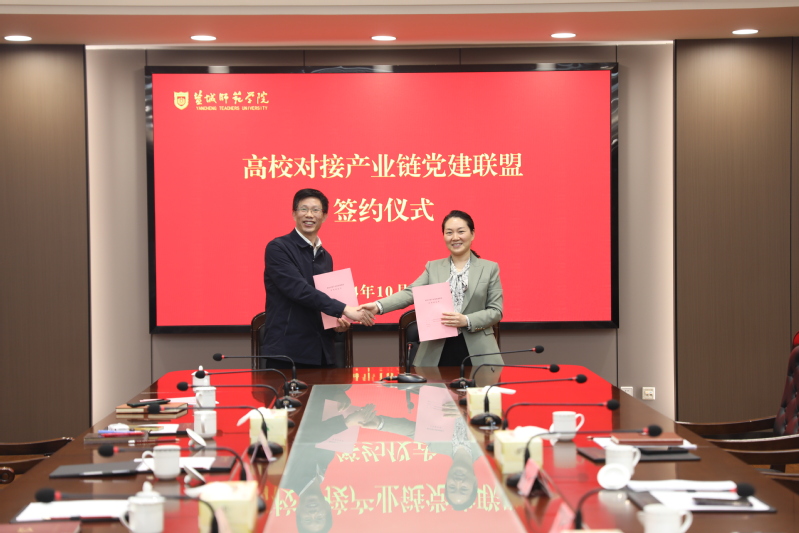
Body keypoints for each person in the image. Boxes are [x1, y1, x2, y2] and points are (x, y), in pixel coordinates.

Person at [360, 210, 502, 367]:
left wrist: (466, 320)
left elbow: (496, 311)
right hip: (437, 349)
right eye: (449, 233)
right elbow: (410, 293)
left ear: (472, 234)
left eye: (461, 231)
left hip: (478, 351)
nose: (455, 237)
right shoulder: (433, 267)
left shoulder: (489, 268)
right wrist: (378, 306)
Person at [259, 188, 373, 368]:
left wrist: (337, 323)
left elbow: (323, 301)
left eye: (315, 210)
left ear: (324, 216)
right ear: (294, 214)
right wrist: (344, 309)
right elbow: (299, 290)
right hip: (288, 353)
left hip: (322, 352)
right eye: (303, 209)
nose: (309, 215)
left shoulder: (325, 257)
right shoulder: (278, 248)